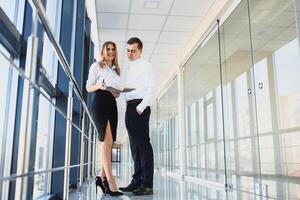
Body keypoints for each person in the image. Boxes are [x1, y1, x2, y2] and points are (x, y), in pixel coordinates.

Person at [86, 41, 123, 196]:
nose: (110, 52)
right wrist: (99, 86)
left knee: (111, 141)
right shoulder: (96, 66)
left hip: (112, 103)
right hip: (100, 102)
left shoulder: (116, 70)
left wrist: (117, 93)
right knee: (106, 142)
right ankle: (111, 183)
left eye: (113, 49)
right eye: (108, 49)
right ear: (103, 51)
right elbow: (88, 87)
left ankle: (100, 178)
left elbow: (117, 91)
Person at [119, 37, 155, 195]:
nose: (130, 53)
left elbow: (152, 88)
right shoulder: (131, 69)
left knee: (144, 146)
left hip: (139, 108)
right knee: (135, 148)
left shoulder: (146, 66)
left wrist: (141, 107)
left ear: (140, 51)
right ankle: (137, 181)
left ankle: (147, 184)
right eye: (127, 51)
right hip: (130, 108)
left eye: (133, 51)